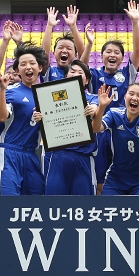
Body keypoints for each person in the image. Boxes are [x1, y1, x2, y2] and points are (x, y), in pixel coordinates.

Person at [81, 0, 139, 193]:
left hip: (121, 129)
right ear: (102, 56)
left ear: (122, 58)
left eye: (117, 52)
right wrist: (89, 44)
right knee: (99, 177)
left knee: (121, 174)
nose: (112, 54)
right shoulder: (95, 75)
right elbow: (79, 69)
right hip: (99, 129)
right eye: (108, 51)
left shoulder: (127, 74)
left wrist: (135, 22)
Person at [0, 42, 48, 195]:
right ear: (17, 71)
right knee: (8, 202)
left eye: (32, 63)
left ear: (40, 68)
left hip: (31, 155)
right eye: (23, 64)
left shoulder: (46, 95)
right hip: (9, 152)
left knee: (35, 203)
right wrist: (2, 90)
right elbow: (1, 117)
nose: (28, 67)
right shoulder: (11, 92)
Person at [41, 60, 99, 195]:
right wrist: (38, 115)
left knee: (83, 206)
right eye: (72, 71)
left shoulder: (92, 99)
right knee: (54, 204)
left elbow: (96, 109)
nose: (76, 74)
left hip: (83, 157)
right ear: (66, 77)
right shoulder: (52, 97)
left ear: (86, 81)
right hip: (58, 156)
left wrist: (93, 109)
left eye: (80, 72)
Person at [40, 6, 85, 82]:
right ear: (54, 53)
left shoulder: (78, 72)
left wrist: (73, 27)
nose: (64, 50)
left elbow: (83, 54)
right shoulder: (49, 71)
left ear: (75, 55)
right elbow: (43, 54)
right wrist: (49, 25)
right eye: (60, 47)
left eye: (69, 48)